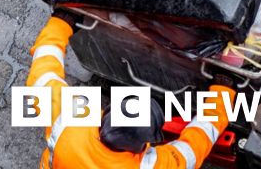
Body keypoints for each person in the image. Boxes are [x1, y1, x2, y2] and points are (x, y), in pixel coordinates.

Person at [28, 10, 236, 169]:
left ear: (106, 115)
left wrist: (61, 22)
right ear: (145, 145)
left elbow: (44, 71)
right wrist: (222, 90)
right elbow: (198, 141)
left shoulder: (70, 121)